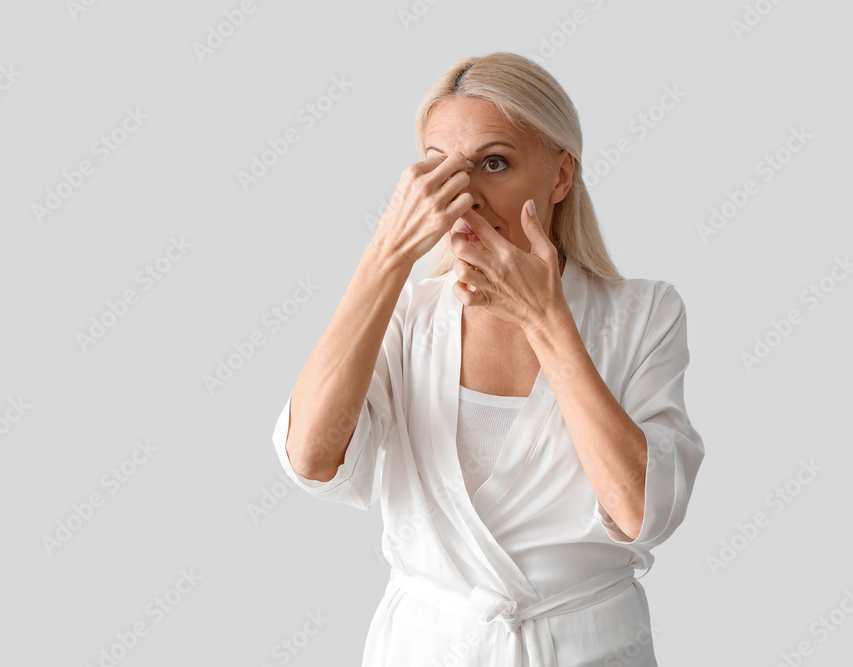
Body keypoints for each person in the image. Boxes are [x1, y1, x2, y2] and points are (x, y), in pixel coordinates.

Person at [270, 51, 704, 666]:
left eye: (493, 163)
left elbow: (643, 513)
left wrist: (546, 319)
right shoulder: (405, 315)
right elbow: (312, 461)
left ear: (560, 176)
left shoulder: (644, 315)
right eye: (437, 169)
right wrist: (387, 257)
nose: (462, 195)